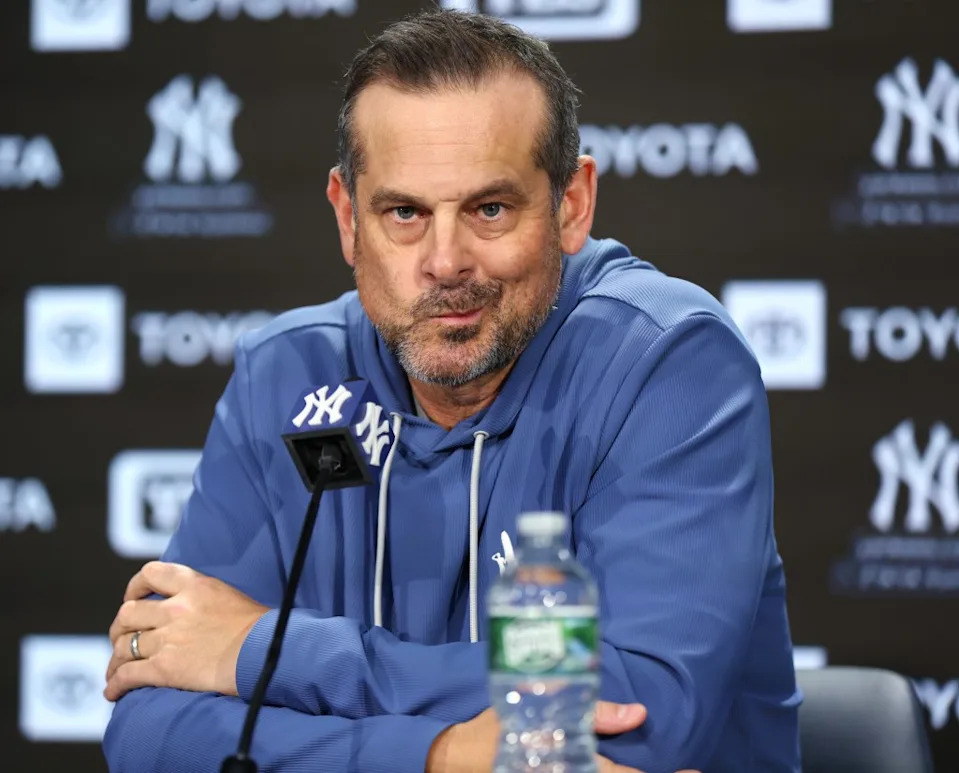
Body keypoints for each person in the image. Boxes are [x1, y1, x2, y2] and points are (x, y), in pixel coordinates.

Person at [101, 9, 800, 773]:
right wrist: (437, 756)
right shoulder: (286, 373)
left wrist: (261, 651)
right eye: (403, 213)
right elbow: (149, 730)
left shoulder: (666, 361)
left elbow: (644, 719)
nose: (445, 260)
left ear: (571, 204)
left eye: (489, 209)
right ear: (346, 218)